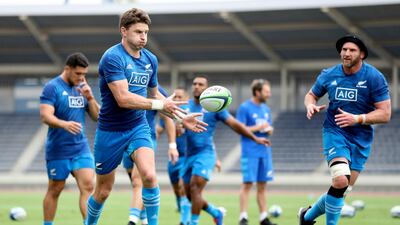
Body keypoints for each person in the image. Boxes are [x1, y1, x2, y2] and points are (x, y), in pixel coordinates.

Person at [84, 8, 206, 225]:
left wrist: (181, 117)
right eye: (138, 32)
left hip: (138, 127)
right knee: (103, 190)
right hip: (110, 131)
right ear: (124, 31)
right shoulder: (112, 58)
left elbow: (154, 93)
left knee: (149, 176)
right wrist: (160, 104)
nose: (143, 37)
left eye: (146, 32)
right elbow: (123, 98)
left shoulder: (150, 59)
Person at [299, 34, 391, 225]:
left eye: (352, 50)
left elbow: (385, 114)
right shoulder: (329, 74)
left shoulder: (374, 77)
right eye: (344, 50)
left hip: (361, 139)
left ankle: (306, 218)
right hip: (335, 132)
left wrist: (357, 118)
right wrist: (310, 105)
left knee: (342, 189)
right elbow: (311, 95)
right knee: (340, 181)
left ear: (362, 54)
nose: (346, 53)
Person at [181, 75, 271, 225]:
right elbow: (174, 123)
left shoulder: (214, 107)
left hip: (205, 153)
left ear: (207, 89)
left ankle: (193, 222)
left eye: (201, 84)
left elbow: (235, 124)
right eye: (194, 84)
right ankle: (215, 212)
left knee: (195, 187)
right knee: (189, 194)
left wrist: (255, 138)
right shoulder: (186, 106)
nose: (196, 86)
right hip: (188, 155)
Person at [39, 52, 100, 225]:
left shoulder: (83, 87)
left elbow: (97, 116)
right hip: (58, 150)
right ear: (67, 69)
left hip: (80, 148)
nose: (81, 77)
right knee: (55, 189)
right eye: (78, 73)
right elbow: (45, 116)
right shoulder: (52, 87)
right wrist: (64, 124)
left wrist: (90, 97)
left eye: (84, 74)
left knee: (88, 186)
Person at [123, 86, 178, 225]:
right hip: (123, 139)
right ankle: (144, 217)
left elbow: (167, 120)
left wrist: (172, 146)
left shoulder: (157, 91)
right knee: (136, 182)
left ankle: (132, 220)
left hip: (145, 139)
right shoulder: (123, 84)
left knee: (138, 180)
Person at [236, 79, 276, 225]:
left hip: (265, 152)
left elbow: (269, 128)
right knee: (247, 184)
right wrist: (258, 127)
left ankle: (263, 217)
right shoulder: (244, 107)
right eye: (266, 91)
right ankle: (243, 217)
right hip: (250, 151)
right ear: (257, 92)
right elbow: (239, 128)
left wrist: (269, 129)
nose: (269, 94)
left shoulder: (266, 109)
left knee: (262, 185)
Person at [158, 87, 192, 225]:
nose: (177, 100)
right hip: (173, 158)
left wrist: (184, 127)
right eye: (175, 97)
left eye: (180, 97)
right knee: (176, 188)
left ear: (187, 100)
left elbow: (201, 134)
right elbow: (159, 129)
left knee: (182, 185)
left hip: (187, 156)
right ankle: (180, 205)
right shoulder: (168, 113)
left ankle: (185, 220)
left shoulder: (190, 114)